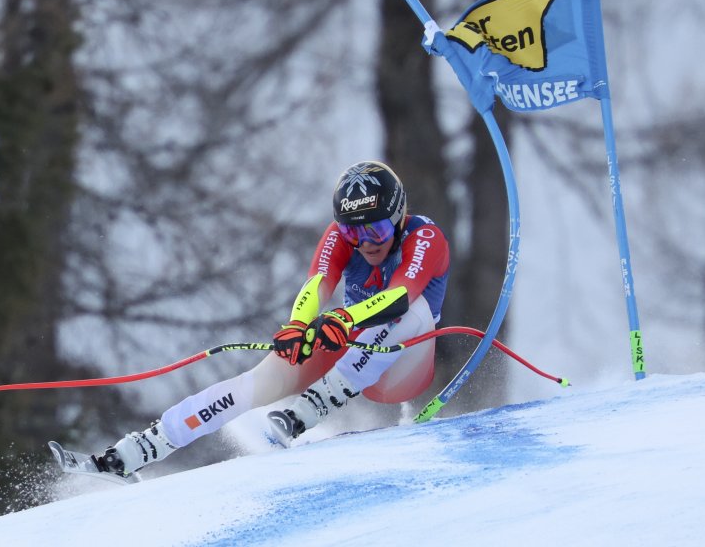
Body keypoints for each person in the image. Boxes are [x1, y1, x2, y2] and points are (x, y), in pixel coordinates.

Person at [94, 161, 450, 478]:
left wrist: (342, 318)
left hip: (404, 365)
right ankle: (139, 450)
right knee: (262, 378)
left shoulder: (425, 237)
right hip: (352, 351)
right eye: (353, 233)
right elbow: (318, 283)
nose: (366, 243)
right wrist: (299, 324)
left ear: (398, 217)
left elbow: (400, 295)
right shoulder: (341, 237)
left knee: (410, 311)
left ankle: (307, 411)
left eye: (376, 231)